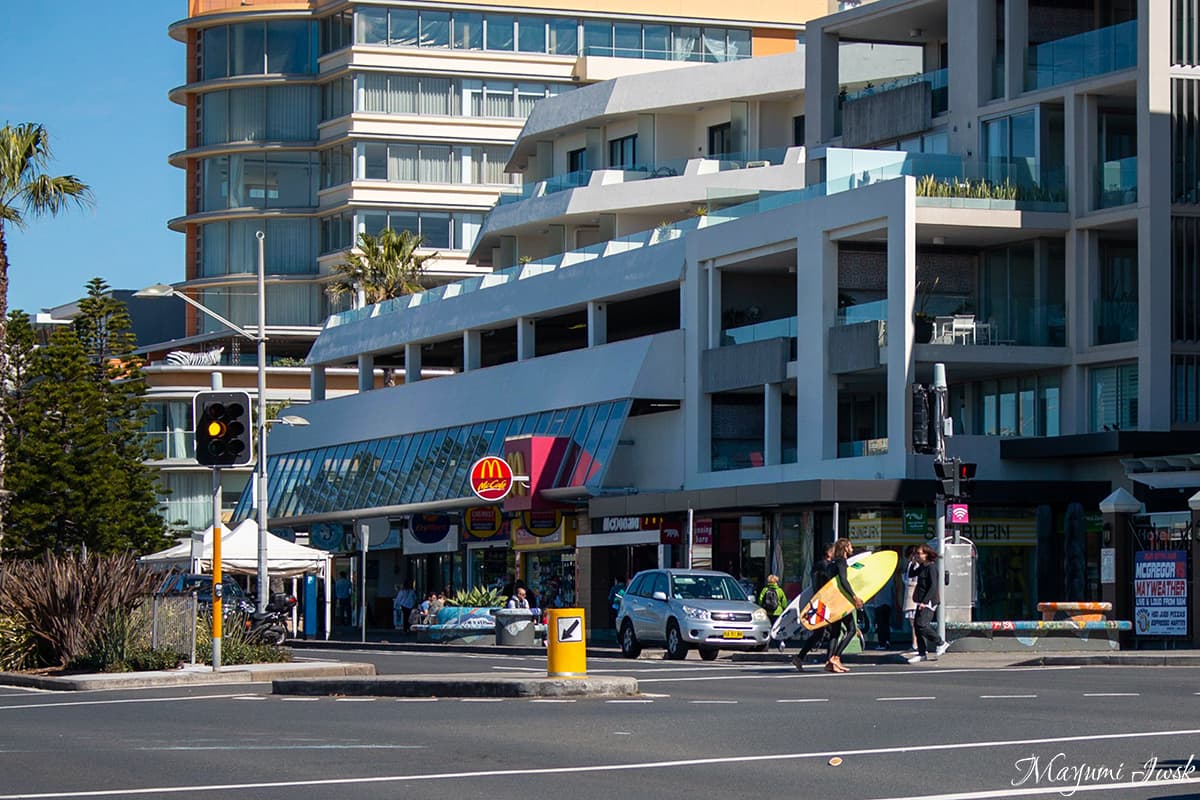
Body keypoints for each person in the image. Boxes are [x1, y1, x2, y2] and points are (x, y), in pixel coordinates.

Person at [823, 537, 864, 674]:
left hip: (831, 599)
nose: (852, 549)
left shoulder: (832, 563)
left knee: (835, 632)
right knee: (851, 629)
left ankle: (830, 662)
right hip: (840, 600)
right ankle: (836, 657)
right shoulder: (841, 562)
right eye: (850, 546)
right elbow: (843, 581)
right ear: (845, 548)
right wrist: (854, 597)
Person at [792, 543, 834, 670]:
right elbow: (832, 581)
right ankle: (830, 660)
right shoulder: (825, 566)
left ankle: (800, 657)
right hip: (825, 601)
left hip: (818, 600)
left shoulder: (816, 566)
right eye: (833, 552)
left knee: (819, 633)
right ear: (829, 553)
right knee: (833, 632)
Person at [908, 544, 950, 663]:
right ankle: (922, 653)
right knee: (916, 626)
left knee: (922, 625)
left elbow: (933, 586)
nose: (917, 555)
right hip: (921, 601)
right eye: (916, 553)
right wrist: (912, 562)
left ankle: (940, 642)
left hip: (929, 601)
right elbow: (911, 574)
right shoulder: (922, 566)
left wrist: (925, 602)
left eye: (919, 553)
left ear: (926, 555)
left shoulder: (931, 568)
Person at [757, 574, 788, 652]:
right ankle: (780, 642)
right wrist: (783, 609)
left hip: (767, 613)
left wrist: (762, 608)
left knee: (768, 629)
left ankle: (767, 645)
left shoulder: (765, 589)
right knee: (777, 629)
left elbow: (760, 600)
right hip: (777, 613)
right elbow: (784, 602)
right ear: (776, 582)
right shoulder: (779, 590)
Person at [901, 546, 921, 653]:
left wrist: (903, 578)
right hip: (911, 596)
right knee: (913, 623)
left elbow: (910, 580)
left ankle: (916, 644)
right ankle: (915, 643)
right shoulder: (911, 565)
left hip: (912, 596)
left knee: (914, 623)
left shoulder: (914, 565)